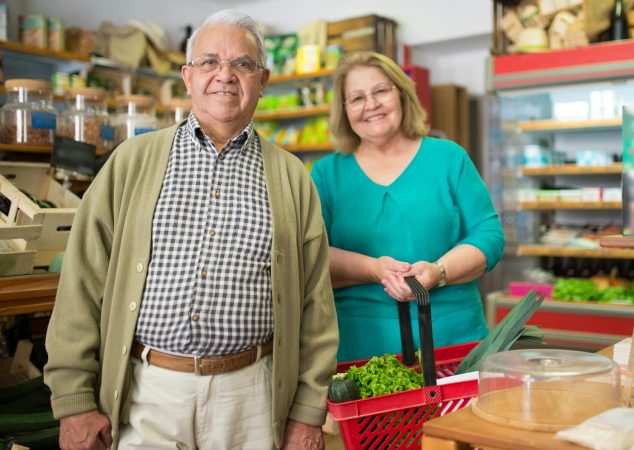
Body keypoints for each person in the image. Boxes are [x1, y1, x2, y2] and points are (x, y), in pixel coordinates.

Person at [44, 10, 337, 450]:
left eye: (242, 64)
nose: (225, 75)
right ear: (187, 76)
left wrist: (308, 412)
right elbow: (82, 281)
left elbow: (316, 304)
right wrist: (74, 400)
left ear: (262, 80)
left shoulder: (292, 177)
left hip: (253, 399)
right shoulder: (131, 161)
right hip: (148, 393)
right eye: (209, 62)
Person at [310, 51, 504, 363]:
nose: (371, 104)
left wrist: (438, 273)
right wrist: (373, 269)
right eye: (357, 98)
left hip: (454, 339)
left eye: (380, 91)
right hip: (362, 344)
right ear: (344, 110)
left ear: (401, 94)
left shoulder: (448, 158)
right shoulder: (326, 174)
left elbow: (488, 235)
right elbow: (312, 253)